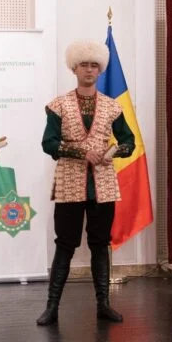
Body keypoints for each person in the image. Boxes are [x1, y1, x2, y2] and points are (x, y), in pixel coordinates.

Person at [37, 40, 135, 325]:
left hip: (103, 184)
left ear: (100, 69)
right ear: (74, 68)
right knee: (65, 244)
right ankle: (52, 307)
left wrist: (113, 152)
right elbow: (49, 143)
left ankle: (103, 304)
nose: (89, 70)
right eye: (84, 65)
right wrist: (82, 152)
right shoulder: (58, 105)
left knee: (100, 243)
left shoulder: (112, 106)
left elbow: (128, 141)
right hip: (69, 182)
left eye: (94, 65)